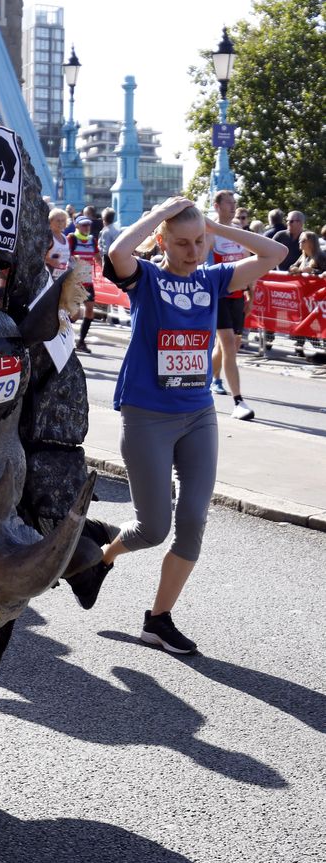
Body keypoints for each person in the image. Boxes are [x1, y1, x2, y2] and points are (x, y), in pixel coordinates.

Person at [77, 197, 286, 655]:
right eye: (182, 243)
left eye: (198, 243)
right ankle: (101, 557)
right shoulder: (147, 280)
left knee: (191, 521)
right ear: (162, 242)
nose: (193, 252)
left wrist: (214, 226)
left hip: (197, 415)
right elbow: (117, 255)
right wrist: (156, 216)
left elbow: (275, 256)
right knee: (153, 529)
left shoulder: (215, 279)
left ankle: (157, 620)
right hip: (147, 415)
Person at [208, 190, 255, 419]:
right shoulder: (210, 233)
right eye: (229, 203)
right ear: (217, 206)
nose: (233, 206)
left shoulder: (238, 232)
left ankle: (208, 376)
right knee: (227, 343)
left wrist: (251, 293)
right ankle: (239, 401)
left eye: (235, 202)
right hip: (219, 295)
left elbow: (248, 261)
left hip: (238, 296)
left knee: (230, 345)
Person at [68, 215, 97, 353]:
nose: (86, 228)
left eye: (88, 225)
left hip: (88, 281)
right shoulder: (71, 239)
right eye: (84, 225)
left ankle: (81, 342)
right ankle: (63, 337)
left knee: (90, 310)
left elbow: (97, 256)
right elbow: (65, 255)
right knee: (75, 314)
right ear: (77, 226)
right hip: (75, 281)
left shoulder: (92, 240)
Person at [44, 208, 71, 278]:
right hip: (48, 278)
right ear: (50, 222)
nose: (61, 223)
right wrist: (50, 261)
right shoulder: (48, 237)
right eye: (58, 221)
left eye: (63, 220)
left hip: (62, 277)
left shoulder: (65, 237)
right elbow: (38, 257)